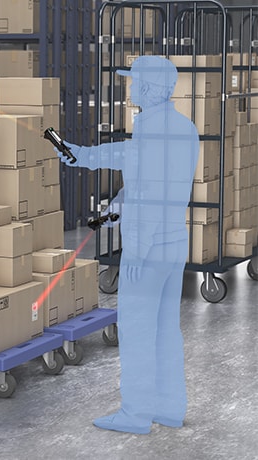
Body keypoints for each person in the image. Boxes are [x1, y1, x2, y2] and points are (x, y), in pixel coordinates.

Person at [58, 55, 200, 434]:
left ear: (150, 88)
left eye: (135, 81)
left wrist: (136, 249)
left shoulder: (153, 132)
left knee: (137, 330)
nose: (130, 87)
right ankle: (169, 408)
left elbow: (147, 186)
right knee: (166, 329)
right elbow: (146, 175)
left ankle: (135, 415)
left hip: (148, 250)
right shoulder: (182, 127)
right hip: (174, 244)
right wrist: (86, 161)